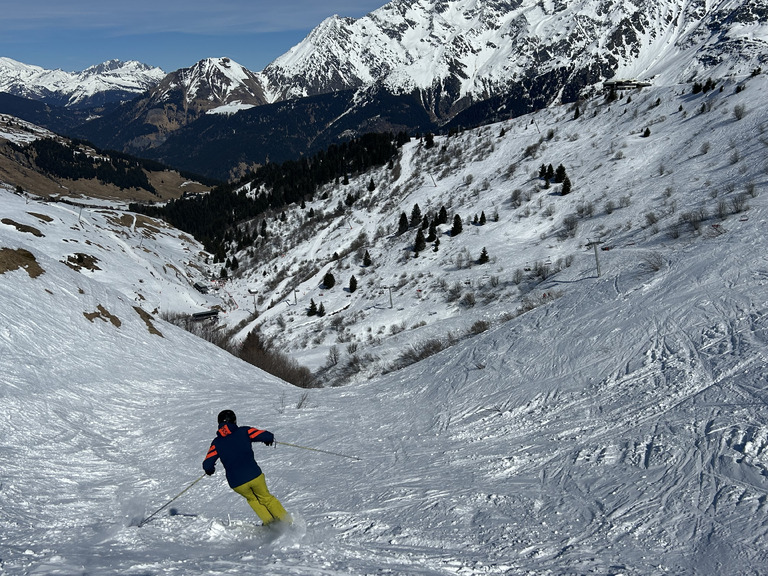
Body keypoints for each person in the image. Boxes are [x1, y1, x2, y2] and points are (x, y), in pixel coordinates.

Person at [203, 409, 291, 525]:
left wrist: (210, 470)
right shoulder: (244, 431)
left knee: (253, 500)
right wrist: (268, 439)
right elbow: (265, 435)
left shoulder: (216, 442)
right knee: (266, 498)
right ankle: (287, 523)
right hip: (254, 475)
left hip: (237, 483)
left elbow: (207, 464)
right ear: (234, 421)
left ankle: (272, 525)